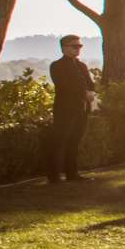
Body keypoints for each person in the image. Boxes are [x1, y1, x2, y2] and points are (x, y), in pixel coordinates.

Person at [45, 35, 95, 185]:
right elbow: (64, 86)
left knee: (74, 141)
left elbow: (90, 83)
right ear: (64, 48)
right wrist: (83, 93)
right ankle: (54, 176)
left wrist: (91, 92)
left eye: (79, 46)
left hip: (82, 109)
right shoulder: (57, 66)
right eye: (74, 46)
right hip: (64, 109)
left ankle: (72, 173)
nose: (78, 49)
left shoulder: (81, 66)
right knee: (60, 141)